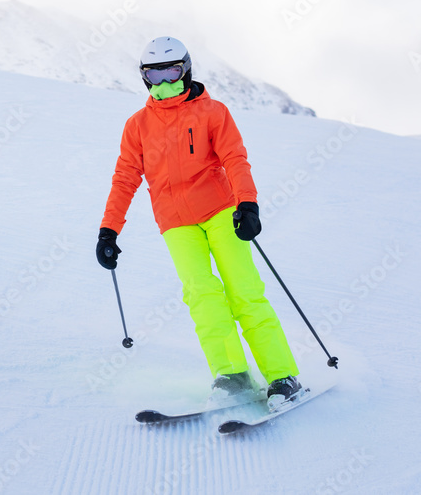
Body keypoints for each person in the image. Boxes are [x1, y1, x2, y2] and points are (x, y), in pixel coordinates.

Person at [96, 36, 303, 409]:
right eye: (154, 74)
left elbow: (235, 159)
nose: (164, 82)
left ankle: (281, 376)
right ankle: (233, 375)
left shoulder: (212, 112)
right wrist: (108, 230)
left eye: (172, 71)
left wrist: (248, 205)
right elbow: (125, 178)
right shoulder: (137, 125)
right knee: (202, 297)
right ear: (144, 77)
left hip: (222, 211)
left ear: (186, 69)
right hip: (175, 223)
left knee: (244, 292)